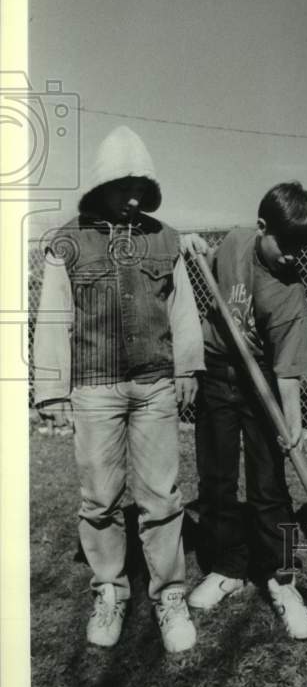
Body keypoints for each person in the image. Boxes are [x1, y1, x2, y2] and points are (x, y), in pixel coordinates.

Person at [33, 126, 202, 653]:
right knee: (100, 498)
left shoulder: (165, 239)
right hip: (94, 390)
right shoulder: (68, 242)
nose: (132, 198)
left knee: (161, 498)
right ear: (100, 185)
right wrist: (52, 391)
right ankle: (109, 589)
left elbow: (184, 310)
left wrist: (188, 368)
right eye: (122, 185)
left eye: (140, 188)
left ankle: (169, 595)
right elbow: (54, 317)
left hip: (154, 388)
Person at [184, 182, 307, 641]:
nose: (294, 256)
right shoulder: (237, 241)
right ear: (262, 227)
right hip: (217, 370)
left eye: (303, 247)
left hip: (263, 378)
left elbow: (288, 371)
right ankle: (228, 567)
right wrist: (190, 244)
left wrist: (293, 425)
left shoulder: (289, 292)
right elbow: (202, 266)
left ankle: (281, 578)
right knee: (217, 477)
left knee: (268, 484)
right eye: (287, 244)